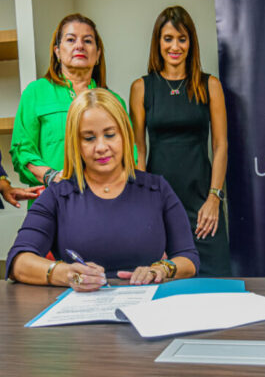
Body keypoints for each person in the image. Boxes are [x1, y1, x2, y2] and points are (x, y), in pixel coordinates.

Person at [6, 89, 199, 291]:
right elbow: (18, 262)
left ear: (124, 135)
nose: (101, 147)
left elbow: (188, 258)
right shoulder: (56, 195)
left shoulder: (157, 189)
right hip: (79, 311)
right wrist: (65, 273)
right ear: (76, 144)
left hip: (146, 307)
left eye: (110, 135)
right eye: (88, 138)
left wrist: (162, 269)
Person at [130, 6, 230, 277]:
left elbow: (221, 146)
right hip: (159, 202)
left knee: (215, 288)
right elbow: (139, 151)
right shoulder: (141, 88)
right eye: (168, 38)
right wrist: (145, 207)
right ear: (158, 42)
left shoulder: (210, 85)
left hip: (203, 203)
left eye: (182, 39)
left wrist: (214, 198)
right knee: (168, 288)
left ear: (191, 42)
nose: (175, 46)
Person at [10, 13, 133, 206]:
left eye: (87, 41)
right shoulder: (36, 93)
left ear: (98, 54)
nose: (79, 46)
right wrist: (51, 176)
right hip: (52, 202)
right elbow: (22, 151)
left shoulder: (114, 101)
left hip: (103, 204)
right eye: (71, 39)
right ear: (57, 51)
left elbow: (129, 154)